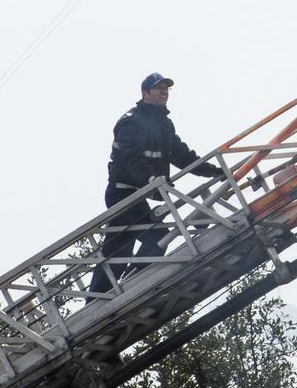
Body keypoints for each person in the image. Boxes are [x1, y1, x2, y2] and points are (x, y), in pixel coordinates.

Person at [89, 73, 225, 297]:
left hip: (138, 196)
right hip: (123, 194)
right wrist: (151, 180)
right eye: (158, 88)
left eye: (166, 89)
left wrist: (212, 171)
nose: (164, 92)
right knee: (156, 236)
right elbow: (133, 158)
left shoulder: (163, 124)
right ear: (145, 94)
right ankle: (133, 284)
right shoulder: (131, 122)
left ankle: (98, 298)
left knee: (117, 250)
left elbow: (182, 156)